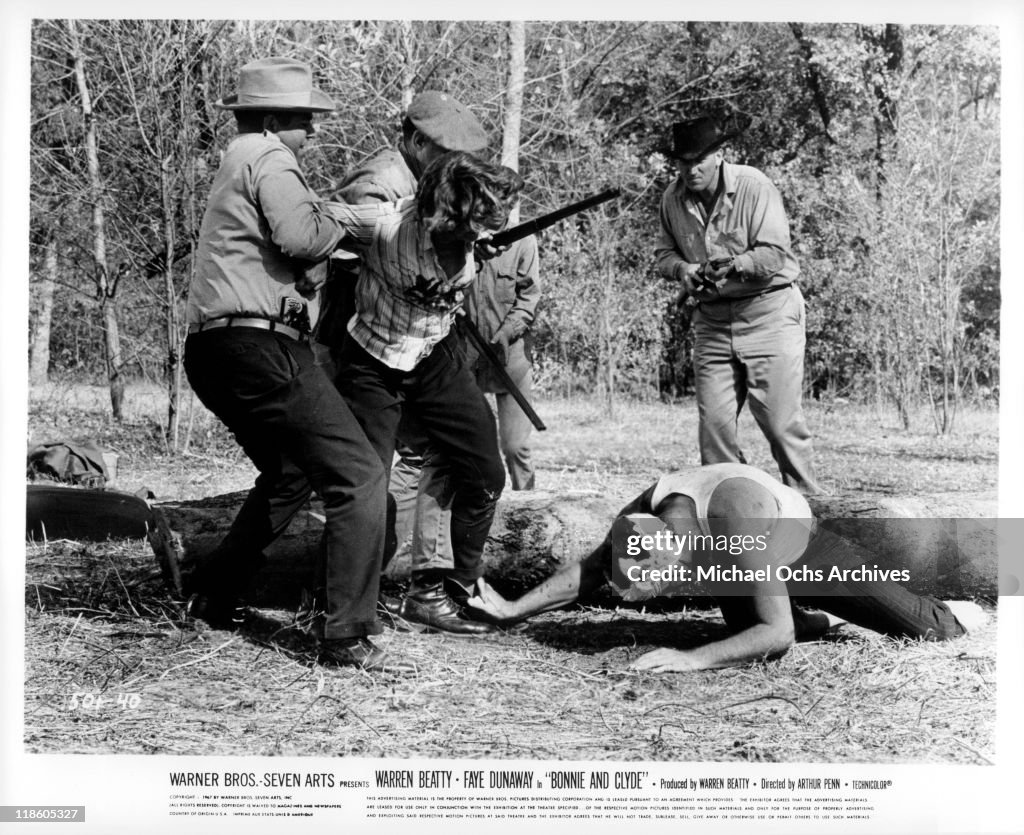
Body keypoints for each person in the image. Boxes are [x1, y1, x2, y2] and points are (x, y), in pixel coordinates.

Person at [182, 57, 411, 673]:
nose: (313, 130)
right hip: (260, 349)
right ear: (276, 117)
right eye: (307, 119)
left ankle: (215, 593)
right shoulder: (270, 156)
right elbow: (303, 239)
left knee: (288, 473)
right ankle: (345, 634)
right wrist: (351, 217)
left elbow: (294, 258)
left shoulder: (238, 160)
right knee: (360, 475)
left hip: (214, 350)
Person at [467, 463, 986, 672]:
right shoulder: (643, 513)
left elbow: (776, 635)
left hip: (800, 544)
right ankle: (827, 622)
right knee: (745, 630)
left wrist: (690, 659)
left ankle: (956, 612)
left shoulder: (735, 521)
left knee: (926, 629)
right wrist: (515, 608)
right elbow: (594, 568)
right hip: (739, 550)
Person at [317, 91, 496, 636]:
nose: (457, 166)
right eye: (445, 152)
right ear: (417, 142)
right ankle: (336, 603)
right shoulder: (379, 188)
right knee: (363, 480)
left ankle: (438, 589)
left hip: (431, 348)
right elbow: (319, 240)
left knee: (470, 463)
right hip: (369, 346)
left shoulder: (452, 187)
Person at [655, 115, 821, 495]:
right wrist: (683, 269)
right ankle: (733, 522)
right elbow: (663, 254)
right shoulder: (671, 198)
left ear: (719, 156)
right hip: (711, 320)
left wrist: (735, 264)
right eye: (682, 162)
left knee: (781, 426)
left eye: (699, 160)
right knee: (714, 432)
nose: (691, 169)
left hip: (769, 313)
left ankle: (813, 516)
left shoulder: (754, 186)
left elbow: (775, 254)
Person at [463, 234, 541, 491]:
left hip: (511, 360)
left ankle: (528, 514)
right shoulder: (463, 231)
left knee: (515, 446)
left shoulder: (524, 239)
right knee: (466, 447)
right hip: (465, 358)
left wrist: (507, 332)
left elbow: (529, 296)